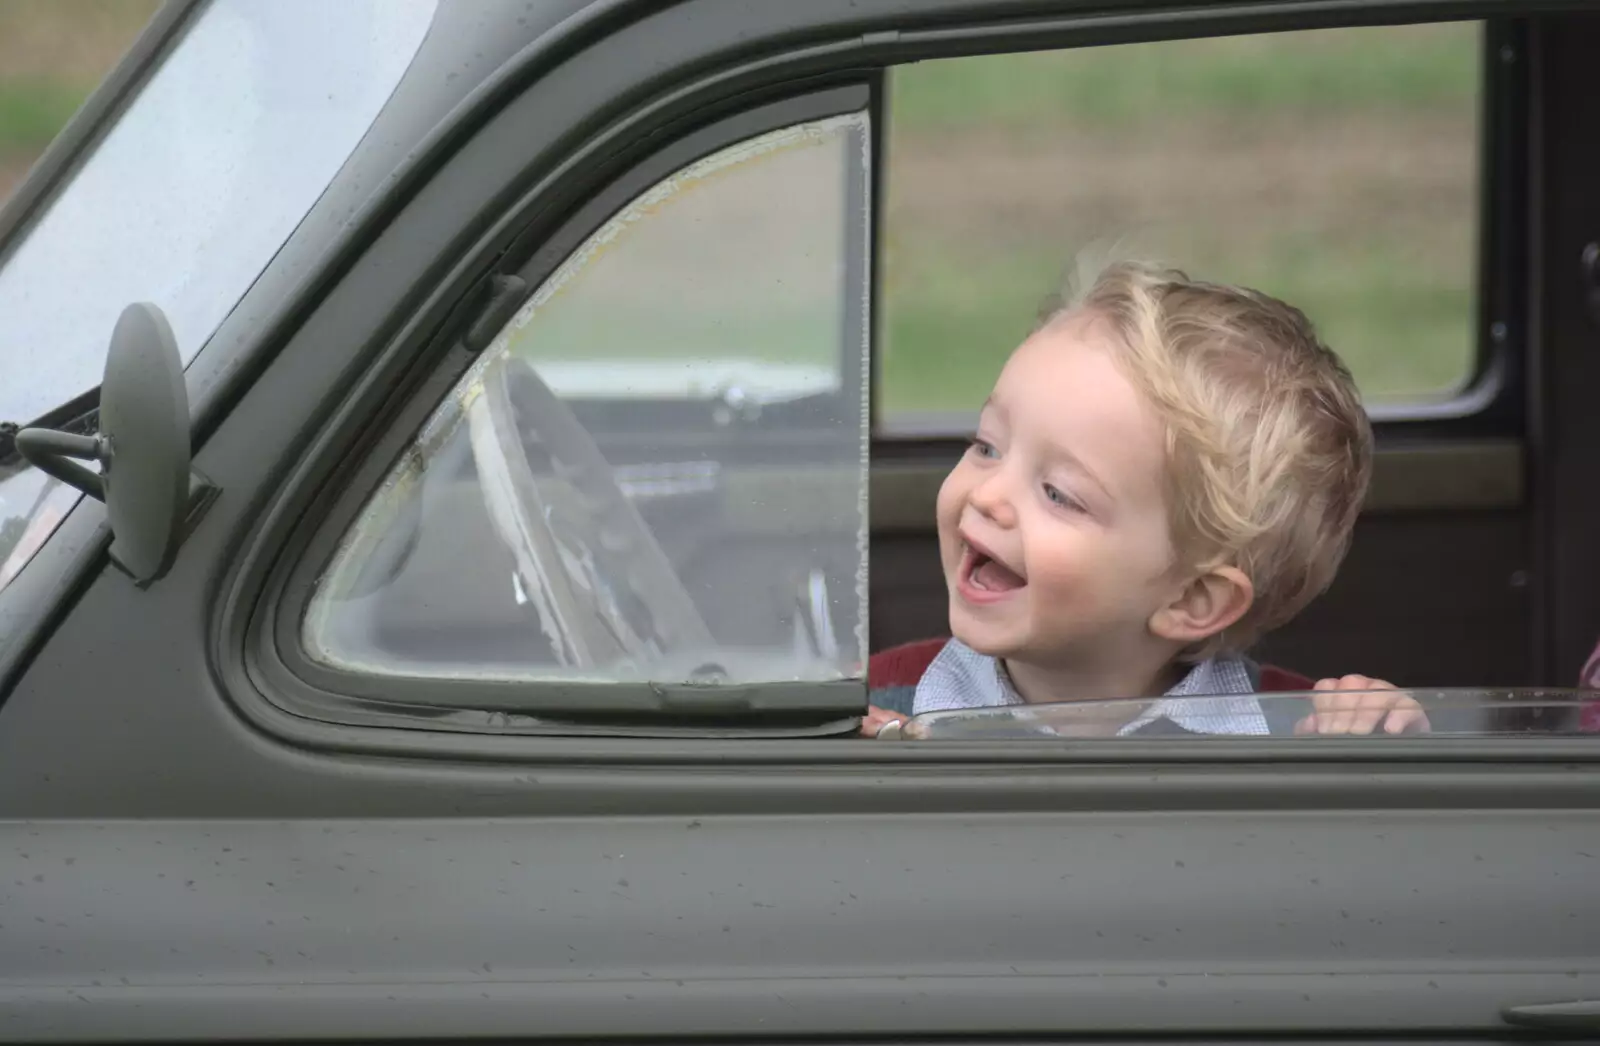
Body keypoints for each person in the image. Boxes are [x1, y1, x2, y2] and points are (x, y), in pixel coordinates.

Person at [864, 260, 1425, 738]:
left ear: (1193, 599)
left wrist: (1378, 746)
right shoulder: (879, 700)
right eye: (987, 446)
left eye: (1059, 494)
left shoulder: (1291, 730)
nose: (987, 495)